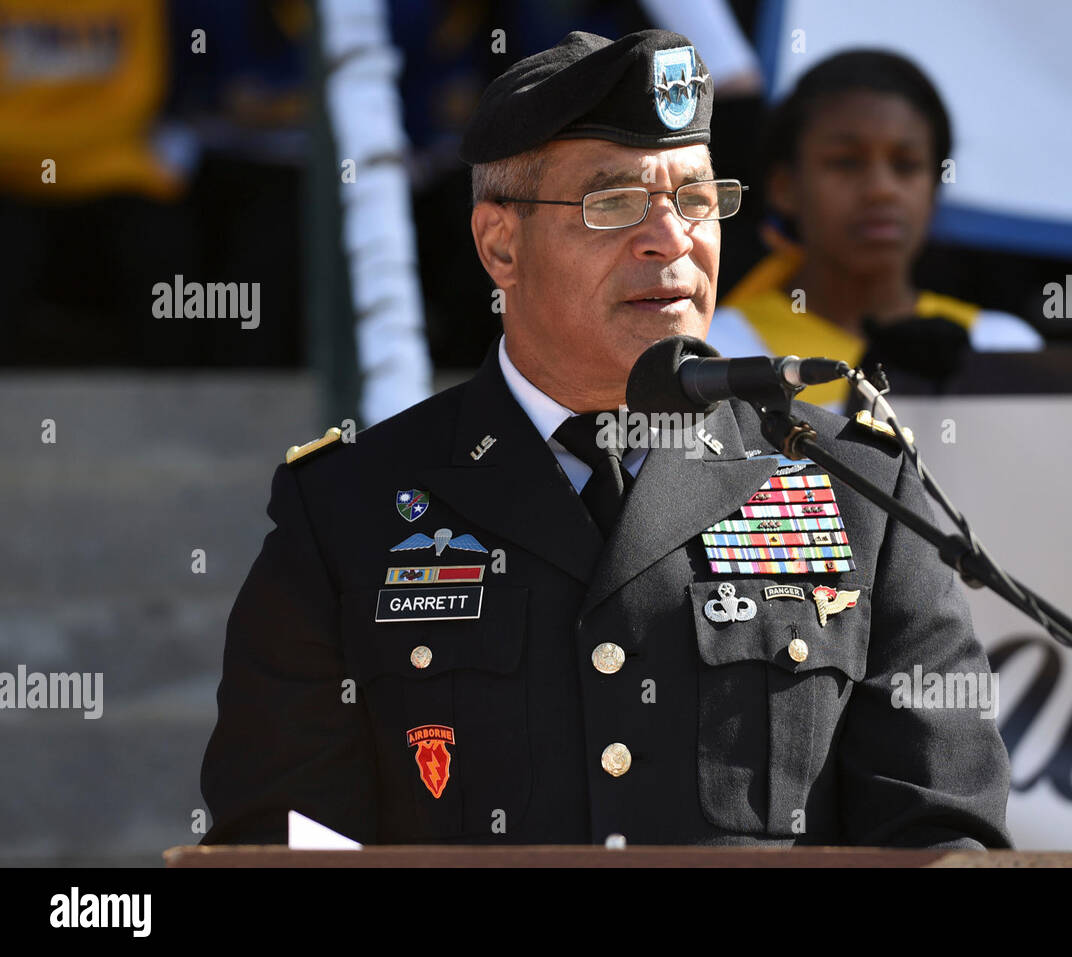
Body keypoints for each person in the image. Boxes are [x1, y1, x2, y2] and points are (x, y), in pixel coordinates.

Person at [200, 29, 1012, 849]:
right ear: (499, 245)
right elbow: (278, 837)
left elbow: (943, 831)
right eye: (615, 202)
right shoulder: (346, 510)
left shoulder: (861, 491)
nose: (672, 238)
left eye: (697, 199)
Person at [708, 50, 1043, 409]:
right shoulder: (716, 355)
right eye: (846, 163)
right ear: (784, 188)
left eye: (906, 165)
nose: (882, 189)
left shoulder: (1002, 348)